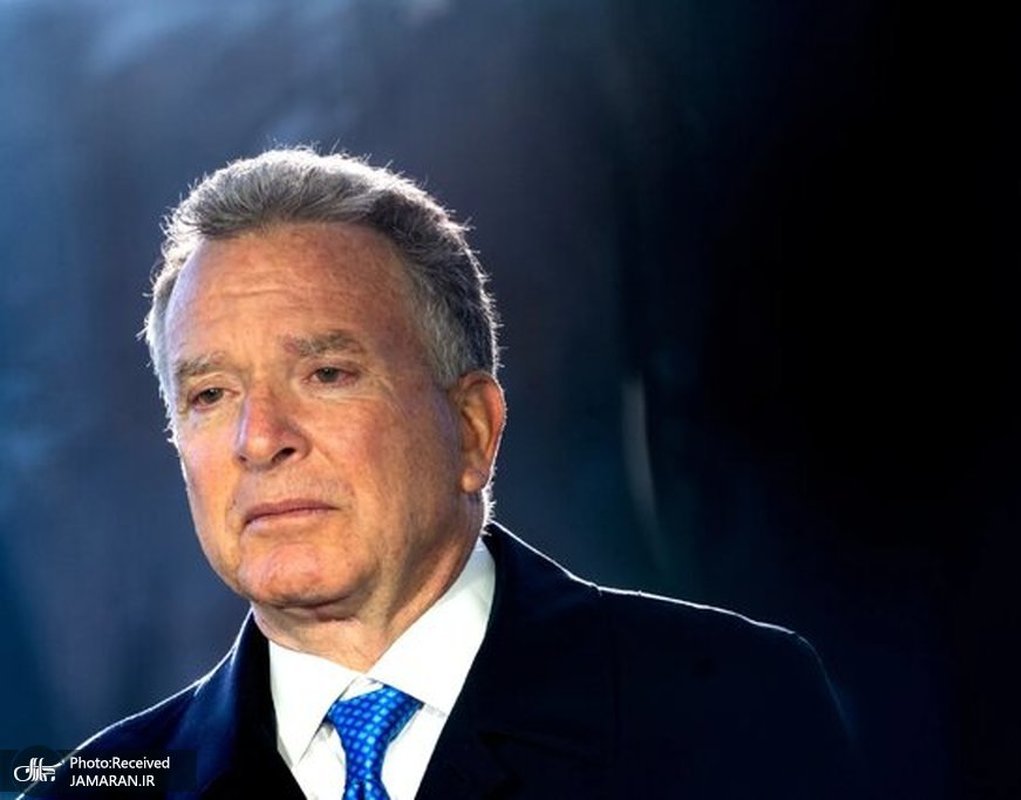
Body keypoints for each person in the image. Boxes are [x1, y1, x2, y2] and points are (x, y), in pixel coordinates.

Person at [39, 149, 860, 799]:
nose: (259, 440)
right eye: (212, 395)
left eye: (327, 374)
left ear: (472, 430)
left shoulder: (733, 705)